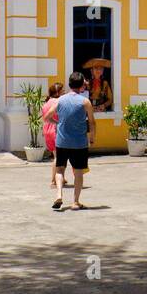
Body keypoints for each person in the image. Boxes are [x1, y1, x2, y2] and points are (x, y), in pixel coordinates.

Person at [52, 72, 94, 211]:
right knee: (78, 172)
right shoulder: (85, 102)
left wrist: (58, 122)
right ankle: (75, 202)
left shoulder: (60, 100)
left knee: (59, 170)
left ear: (69, 84)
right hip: (79, 142)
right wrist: (92, 137)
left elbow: (46, 116)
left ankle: (59, 195)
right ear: (82, 85)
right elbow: (92, 122)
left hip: (62, 141)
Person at [41, 82, 64, 187]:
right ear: (58, 92)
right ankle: (54, 180)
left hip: (47, 131)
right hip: (56, 130)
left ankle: (61, 177)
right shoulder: (58, 101)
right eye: (62, 90)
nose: (64, 92)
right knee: (58, 157)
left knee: (56, 155)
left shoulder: (46, 103)